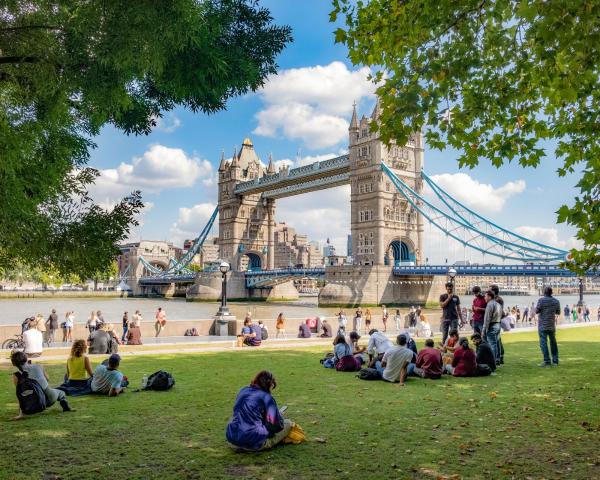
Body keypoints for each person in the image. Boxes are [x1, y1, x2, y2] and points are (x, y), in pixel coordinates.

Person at [226, 371, 295, 451]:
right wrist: (278, 418)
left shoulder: (243, 390)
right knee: (288, 423)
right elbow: (275, 427)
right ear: (270, 385)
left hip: (233, 440)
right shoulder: (267, 397)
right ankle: (258, 444)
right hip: (253, 442)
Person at [11, 351, 72, 418]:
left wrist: (21, 414)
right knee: (61, 392)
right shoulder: (38, 366)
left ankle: (23, 412)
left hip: (32, 404)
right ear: (26, 359)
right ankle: (66, 408)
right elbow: (47, 379)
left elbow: (20, 393)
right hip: (49, 399)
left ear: (14, 364)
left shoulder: (16, 375)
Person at [536, 286, 561, 367]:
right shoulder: (556, 301)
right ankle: (555, 361)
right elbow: (558, 312)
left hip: (542, 325)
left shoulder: (541, 300)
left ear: (544, 292)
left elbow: (537, 311)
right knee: (553, 343)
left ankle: (547, 361)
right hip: (551, 325)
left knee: (543, 344)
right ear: (551, 293)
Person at [482, 290, 502, 366]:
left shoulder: (490, 305)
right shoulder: (498, 304)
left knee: (492, 344)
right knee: (496, 343)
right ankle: (497, 359)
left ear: (489, 297)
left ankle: (492, 362)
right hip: (498, 324)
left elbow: (487, 318)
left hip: (492, 325)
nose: (484, 297)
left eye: (485, 296)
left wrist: (484, 330)